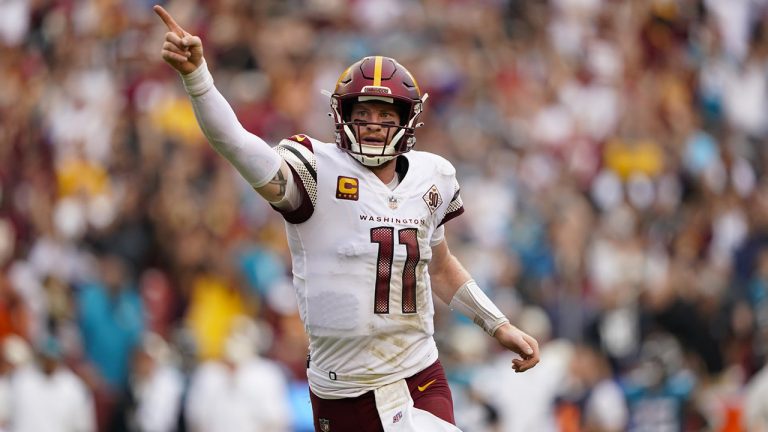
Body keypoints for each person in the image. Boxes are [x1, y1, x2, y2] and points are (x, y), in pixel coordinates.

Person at [153, 5, 540, 431]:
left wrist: (497, 324)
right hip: (343, 391)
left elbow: (441, 264)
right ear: (343, 115)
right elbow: (237, 145)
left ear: (406, 120)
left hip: (419, 373)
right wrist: (197, 78)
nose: (373, 124)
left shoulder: (434, 177)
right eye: (363, 113)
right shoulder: (315, 170)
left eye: (385, 114)